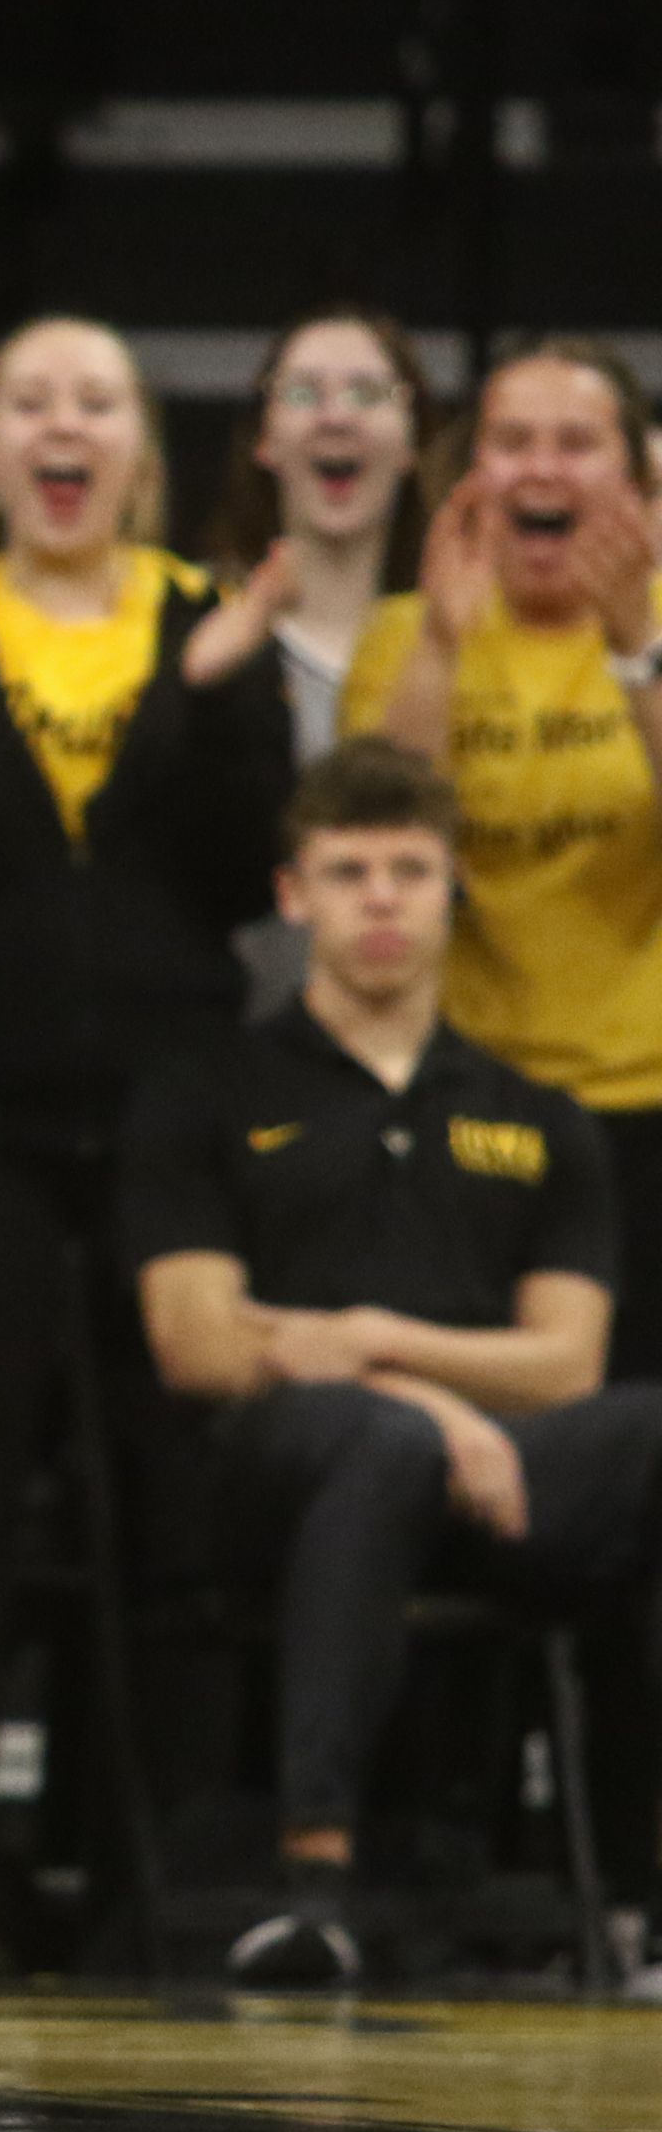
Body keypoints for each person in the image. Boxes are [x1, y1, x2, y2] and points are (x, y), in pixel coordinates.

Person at [0, 314, 296, 1940]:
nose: (64, 425)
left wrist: (218, 702)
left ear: (138, 450)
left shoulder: (208, 618)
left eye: (96, 400)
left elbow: (250, 881)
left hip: (176, 1114)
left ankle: (157, 1880)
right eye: (31, 399)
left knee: (177, 1491)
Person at [129, 737, 662, 1984]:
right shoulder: (207, 1088)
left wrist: (372, 1340)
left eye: (411, 872)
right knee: (377, 1443)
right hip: (276, 1477)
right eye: (350, 872)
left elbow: (567, 1366)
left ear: (454, 888)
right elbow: (200, 1343)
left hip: (500, 1479)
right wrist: (426, 1401)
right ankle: (314, 1883)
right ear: (292, 894)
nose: (381, 900)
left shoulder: (538, 1116)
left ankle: (648, 1897)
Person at [345, 343, 662, 1379]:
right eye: (513, 441)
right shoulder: (403, 635)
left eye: (577, 442)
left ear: (637, 479)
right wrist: (442, 648)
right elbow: (372, 840)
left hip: (646, 1092)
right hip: (467, 1096)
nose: (542, 467)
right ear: (471, 472)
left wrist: (636, 649)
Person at [199, 308, 433, 768]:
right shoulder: (197, 622)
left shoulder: (454, 641)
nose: (336, 417)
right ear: (263, 439)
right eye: (303, 393)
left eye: (367, 393)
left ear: (412, 441)